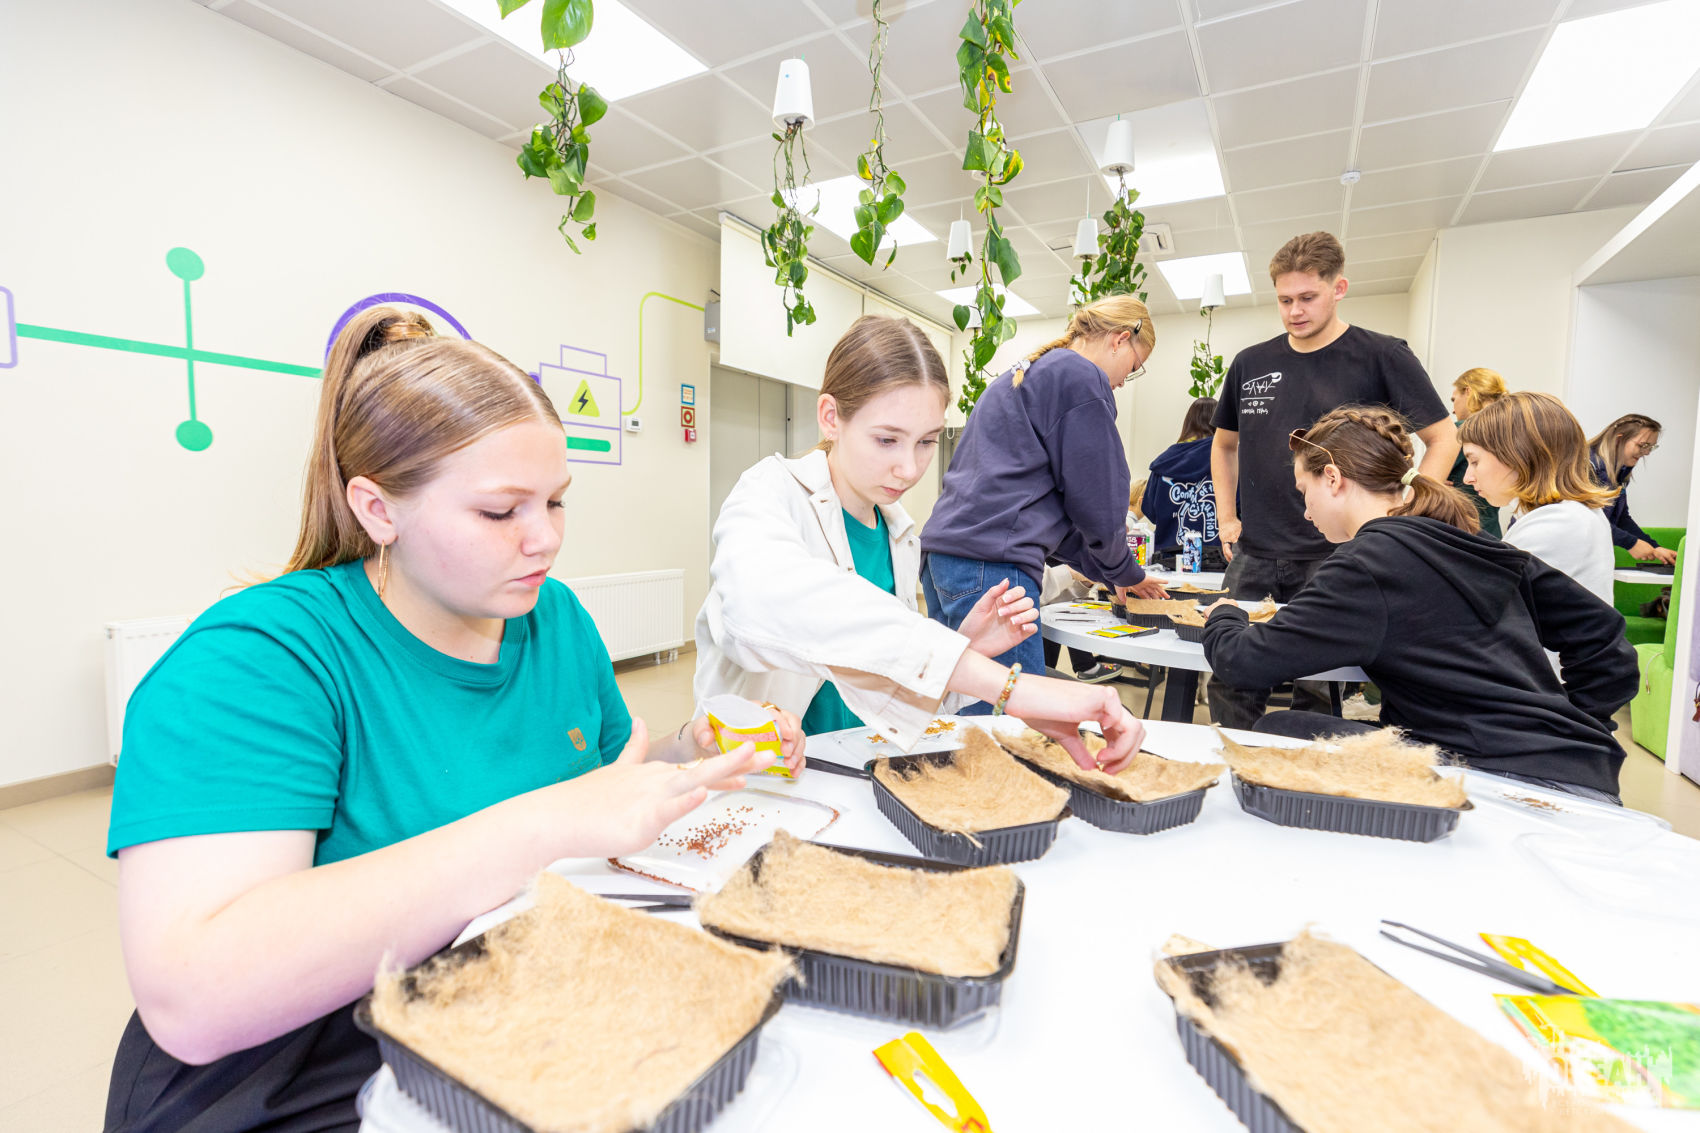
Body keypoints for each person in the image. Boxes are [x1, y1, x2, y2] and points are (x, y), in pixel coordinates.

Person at [102, 308, 790, 1132]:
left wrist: (683, 751)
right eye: (501, 513)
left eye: (556, 502)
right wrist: (541, 825)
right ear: (377, 509)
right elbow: (196, 995)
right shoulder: (258, 660)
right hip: (303, 1072)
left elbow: (599, 788)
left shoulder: (554, 619)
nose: (544, 540)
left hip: (505, 1011)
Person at [695, 314, 1144, 769]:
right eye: (887, 440)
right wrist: (1006, 685)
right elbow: (758, 605)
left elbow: (889, 696)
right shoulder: (768, 491)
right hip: (761, 780)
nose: (909, 469)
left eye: (926, 442)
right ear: (831, 417)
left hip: (853, 772)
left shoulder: (899, 534)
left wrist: (964, 650)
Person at [1201, 406, 1636, 804]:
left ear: (1332, 478)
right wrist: (1574, 725)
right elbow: (1606, 641)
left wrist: (1225, 614)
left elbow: (1243, 662)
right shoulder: (1470, 541)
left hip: (1505, 775)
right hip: (1582, 767)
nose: (1306, 512)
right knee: (1300, 727)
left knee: (1278, 730)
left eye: (1304, 492)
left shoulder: (1366, 563)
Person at [1207, 231, 1457, 728]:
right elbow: (1223, 445)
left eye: (1308, 297)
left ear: (1338, 288)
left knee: (1318, 682)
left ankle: (1304, 771)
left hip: (1338, 552)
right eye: (1284, 300)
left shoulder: (1382, 355)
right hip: (1255, 550)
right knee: (1231, 676)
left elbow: (1444, 438)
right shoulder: (1250, 363)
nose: (1294, 311)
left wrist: (1404, 517)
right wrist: (1227, 516)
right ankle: (1235, 763)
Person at [920, 295, 1169, 693]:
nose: (1124, 381)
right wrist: (1124, 569)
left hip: (944, 561)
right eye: (1134, 367)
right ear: (1120, 339)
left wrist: (1113, 572)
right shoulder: (1081, 376)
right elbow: (1099, 498)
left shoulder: (1028, 372)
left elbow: (1051, 510)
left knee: (960, 703)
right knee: (1009, 713)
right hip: (992, 570)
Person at [1459, 391, 1617, 604]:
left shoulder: (1557, 523)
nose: (1467, 478)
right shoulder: (1573, 514)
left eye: (1475, 462)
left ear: (1517, 455)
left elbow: (1487, 604)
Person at [1142, 396, 1223, 570]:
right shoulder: (1227, 462)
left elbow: (1150, 512)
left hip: (1167, 561)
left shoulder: (1164, 463)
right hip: (1215, 560)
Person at [1588, 412, 1679, 565]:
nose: (1647, 453)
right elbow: (1587, 520)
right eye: (1643, 445)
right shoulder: (1588, 467)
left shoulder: (1620, 474)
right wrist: (1631, 543)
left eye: (1651, 447)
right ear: (1619, 440)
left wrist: (1655, 548)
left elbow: (1621, 518)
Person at [1446, 367, 1508, 537]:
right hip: (1492, 533)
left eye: (1454, 400)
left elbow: (1428, 482)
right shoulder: (1505, 430)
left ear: (1468, 392)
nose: (1453, 410)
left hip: (1462, 531)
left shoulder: (1463, 430)